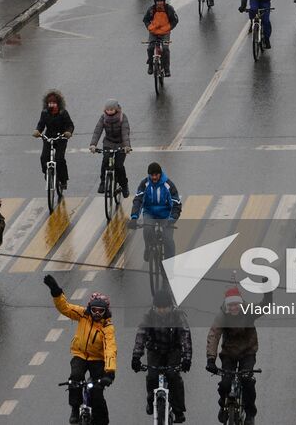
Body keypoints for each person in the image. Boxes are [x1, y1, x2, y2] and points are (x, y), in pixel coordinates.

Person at [44, 275, 117, 425]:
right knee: (75, 378)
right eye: (94, 310)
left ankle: (102, 421)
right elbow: (65, 308)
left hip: (98, 360)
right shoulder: (83, 314)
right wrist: (56, 292)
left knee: (97, 392)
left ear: (106, 312)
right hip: (80, 355)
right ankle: (74, 409)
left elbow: (110, 349)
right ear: (90, 308)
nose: (97, 314)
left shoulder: (107, 327)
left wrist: (109, 372)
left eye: (101, 311)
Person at [130, 288, 192, 423]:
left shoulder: (178, 316)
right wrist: (136, 356)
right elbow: (141, 335)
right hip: (155, 350)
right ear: (154, 307)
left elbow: (185, 336)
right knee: (152, 376)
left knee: (173, 376)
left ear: (170, 306)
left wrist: (187, 358)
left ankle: (178, 410)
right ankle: (150, 400)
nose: (162, 310)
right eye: (159, 308)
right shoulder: (148, 316)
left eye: (165, 307)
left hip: (173, 350)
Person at [206, 287, 259, 425]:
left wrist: (268, 293)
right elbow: (214, 335)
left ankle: (250, 413)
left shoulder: (249, 311)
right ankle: (223, 404)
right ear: (227, 305)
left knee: (247, 381)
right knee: (225, 384)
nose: (234, 307)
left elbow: (265, 307)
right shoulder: (222, 316)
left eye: (236, 304)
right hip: (229, 354)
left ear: (241, 304)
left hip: (248, 352)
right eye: (231, 305)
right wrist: (211, 359)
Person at [130, 162, 182, 259]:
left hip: (166, 215)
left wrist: (172, 218)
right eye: (152, 175)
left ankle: (169, 264)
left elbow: (176, 204)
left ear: (160, 174)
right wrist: (134, 217)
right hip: (150, 213)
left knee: (168, 239)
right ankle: (148, 247)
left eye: (156, 175)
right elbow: (138, 200)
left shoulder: (168, 185)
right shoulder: (144, 184)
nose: (154, 177)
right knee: (147, 229)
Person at [35, 90, 75, 194]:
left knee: (59, 159)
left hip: (60, 138)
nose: (51, 105)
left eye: (53, 103)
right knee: (44, 157)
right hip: (48, 138)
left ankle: (63, 180)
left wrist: (68, 132)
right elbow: (41, 125)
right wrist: (37, 131)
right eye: (49, 103)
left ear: (58, 103)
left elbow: (70, 125)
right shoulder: (44, 113)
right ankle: (47, 173)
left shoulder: (63, 113)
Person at [89, 101, 131, 198]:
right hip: (108, 143)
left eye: (111, 109)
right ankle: (103, 182)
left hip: (121, 144)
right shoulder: (103, 118)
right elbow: (97, 130)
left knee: (119, 166)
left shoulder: (122, 117)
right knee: (105, 161)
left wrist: (127, 146)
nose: (109, 111)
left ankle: (124, 186)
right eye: (107, 110)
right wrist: (93, 145)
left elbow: (125, 132)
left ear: (116, 109)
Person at [143, 0, 179, 76]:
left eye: (161, 1)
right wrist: (149, 27)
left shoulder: (169, 9)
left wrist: (169, 28)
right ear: (155, 2)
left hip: (165, 33)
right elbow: (145, 20)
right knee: (150, 48)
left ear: (164, 1)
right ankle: (151, 65)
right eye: (157, 1)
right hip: (153, 32)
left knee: (165, 49)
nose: (159, 3)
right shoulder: (151, 10)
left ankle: (166, 69)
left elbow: (175, 20)